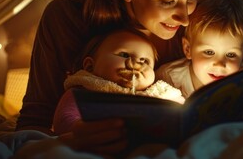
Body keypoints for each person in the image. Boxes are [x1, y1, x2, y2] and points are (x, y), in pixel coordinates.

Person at [16, 0, 206, 158]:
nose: (184, 18)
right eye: (167, 1)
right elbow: (32, 123)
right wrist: (70, 141)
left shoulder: (193, 29)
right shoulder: (64, 18)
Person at [53, 28, 183, 135]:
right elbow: (64, 120)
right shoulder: (83, 91)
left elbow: (182, 115)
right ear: (90, 66)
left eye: (145, 61)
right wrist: (84, 129)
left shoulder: (159, 94)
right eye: (124, 55)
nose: (137, 63)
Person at [156, 0, 243, 98]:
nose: (220, 64)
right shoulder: (168, 79)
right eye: (209, 52)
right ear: (188, 49)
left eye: (231, 55)